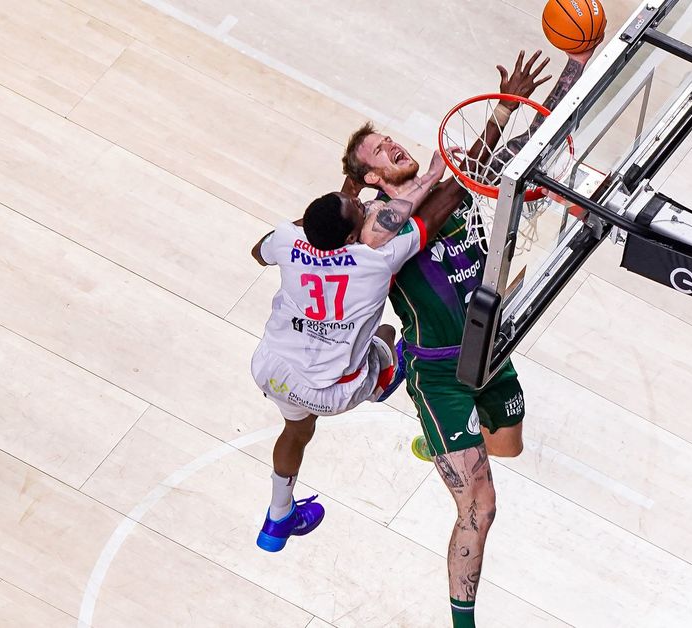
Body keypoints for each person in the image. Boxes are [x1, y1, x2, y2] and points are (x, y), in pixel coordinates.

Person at [341, 47, 595, 628]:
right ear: (371, 178)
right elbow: (451, 190)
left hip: (492, 351)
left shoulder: (449, 180)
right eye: (378, 150)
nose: (392, 145)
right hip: (440, 373)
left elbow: (518, 153)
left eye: (388, 138)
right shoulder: (378, 224)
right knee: (481, 504)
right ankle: (463, 624)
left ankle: (437, 442)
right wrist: (500, 113)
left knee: (509, 445)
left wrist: (574, 69)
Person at [249, 151, 456, 552]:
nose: (363, 205)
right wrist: (476, 159)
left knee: (297, 431)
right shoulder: (375, 258)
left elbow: (258, 252)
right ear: (350, 238)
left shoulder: (288, 239)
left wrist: (314, 223)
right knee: (388, 331)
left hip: (274, 369)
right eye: (359, 208)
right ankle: (381, 383)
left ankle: (278, 519)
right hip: (334, 391)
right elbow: (439, 208)